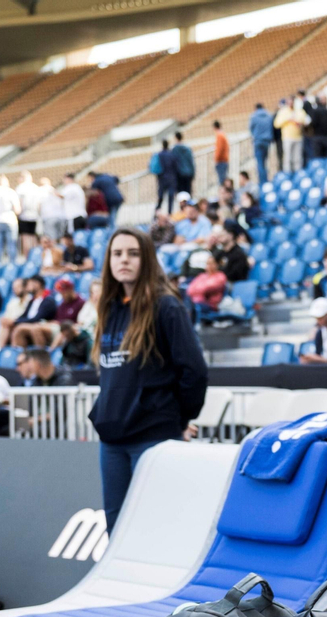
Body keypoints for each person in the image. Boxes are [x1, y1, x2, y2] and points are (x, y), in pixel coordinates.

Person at [88, 228, 207, 530]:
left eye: (133, 253)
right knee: (116, 530)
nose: (124, 260)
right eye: (117, 254)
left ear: (147, 259)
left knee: (156, 528)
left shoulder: (166, 306)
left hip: (153, 437)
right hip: (111, 441)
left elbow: (194, 371)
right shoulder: (109, 309)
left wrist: (179, 418)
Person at [274, 97, 307, 171]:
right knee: (287, 157)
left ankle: (298, 173)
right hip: (287, 137)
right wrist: (287, 119)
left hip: (298, 137)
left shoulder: (299, 111)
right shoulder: (283, 112)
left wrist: (298, 122)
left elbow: (305, 120)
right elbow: (276, 124)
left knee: (297, 157)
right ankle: (287, 173)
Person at [248, 103, 274, 186]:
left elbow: (251, 128)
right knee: (265, 162)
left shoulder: (254, 116)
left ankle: (263, 182)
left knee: (260, 163)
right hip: (267, 141)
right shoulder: (269, 115)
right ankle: (266, 179)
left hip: (258, 142)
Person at [173, 131, 197, 200]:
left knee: (181, 194)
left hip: (180, 174)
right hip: (188, 173)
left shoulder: (175, 149)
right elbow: (191, 161)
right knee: (188, 192)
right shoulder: (187, 148)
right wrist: (192, 173)